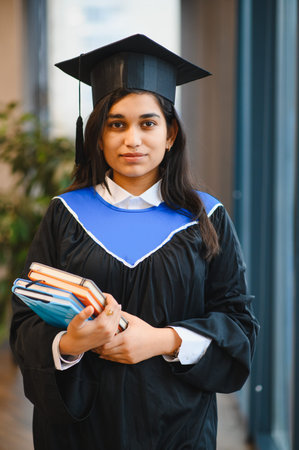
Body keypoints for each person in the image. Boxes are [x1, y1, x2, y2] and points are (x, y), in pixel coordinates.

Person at [10, 34, 259, 450]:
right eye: (116, 124)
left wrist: (163, 341)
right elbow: (24, 322)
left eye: (148, 123)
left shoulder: (206, 218)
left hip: (177, 428)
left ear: (171, 133)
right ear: (98, 135)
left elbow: (239, 327)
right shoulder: (66, 214)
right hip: (77, 430)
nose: (132, 140)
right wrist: (71, 344)